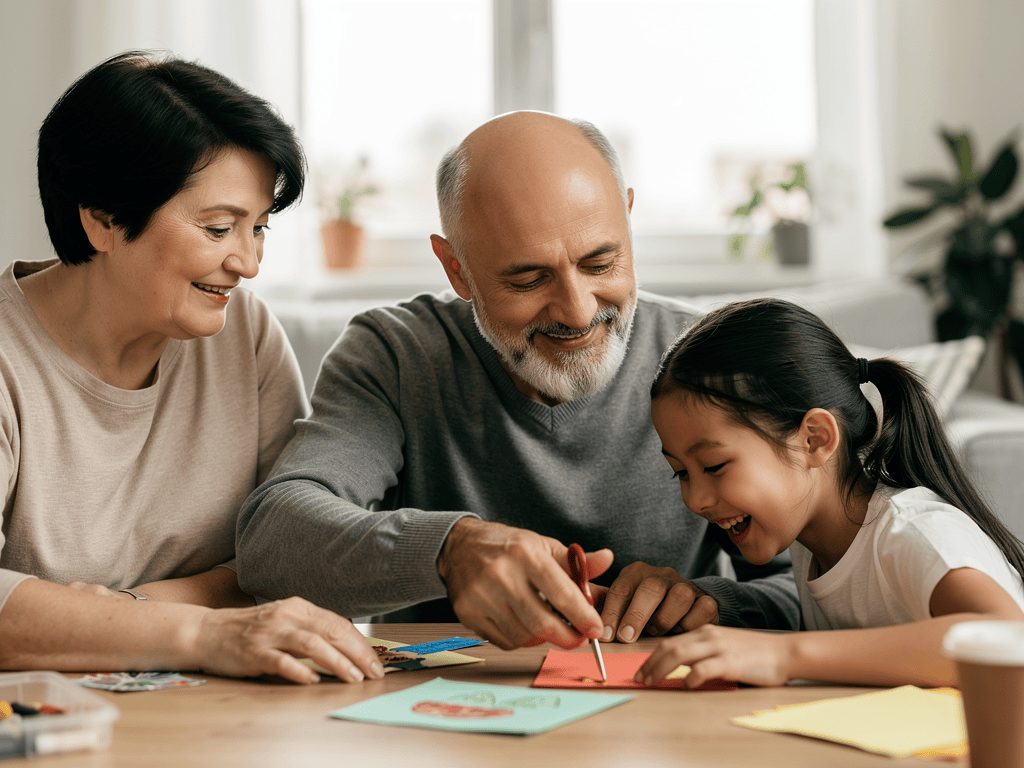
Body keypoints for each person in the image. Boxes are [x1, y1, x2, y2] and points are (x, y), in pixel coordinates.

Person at [236, 111, 801, 650]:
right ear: (456, 268)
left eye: (601, 264)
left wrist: (711, 603)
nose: (578, 312)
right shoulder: (396, 355)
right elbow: (273, 539)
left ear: (628, 219)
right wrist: (448, 551)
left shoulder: (712, 356)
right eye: (529, 280)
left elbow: (820, 581)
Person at [0, 51, 383, 684]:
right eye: (218, 228)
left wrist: (107, 615)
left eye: (257, 228)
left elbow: (287, 555)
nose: (248, 263)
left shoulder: (245, 334)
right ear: (100, 218)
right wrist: (203, 625)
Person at [636, 297, 1024, 689]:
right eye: (681, 473)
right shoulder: (811, 541)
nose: (695, 500)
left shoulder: (910, 533)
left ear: (814, 439)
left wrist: (785, 654)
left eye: (715, 466)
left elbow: (1009, 637)